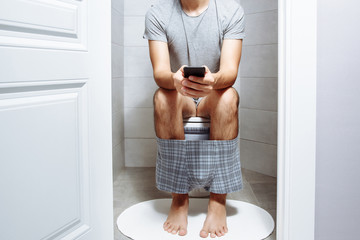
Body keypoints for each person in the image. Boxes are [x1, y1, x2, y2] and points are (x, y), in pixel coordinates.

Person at [144, 0, 245, 238]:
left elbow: (230, 71)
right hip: (180, 94)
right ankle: (179, 199)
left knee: (229, 97)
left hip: (214, 93)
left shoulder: (231, 11)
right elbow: (160, 72)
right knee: (161, 97)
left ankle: (218, 200)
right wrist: (176, 81)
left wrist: (212, 82)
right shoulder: (157, 13)